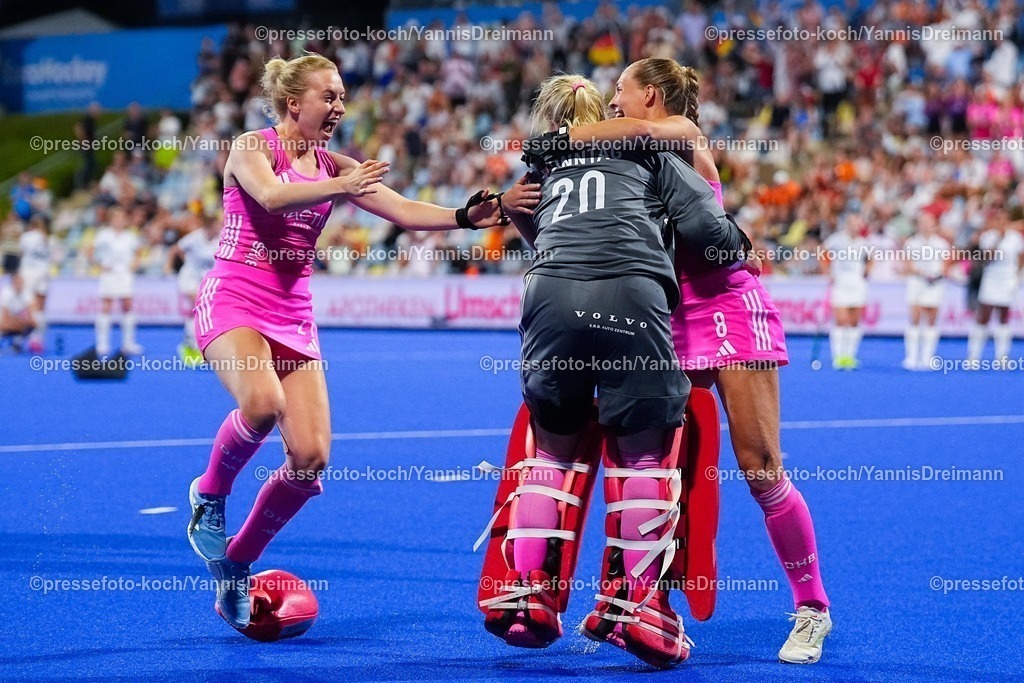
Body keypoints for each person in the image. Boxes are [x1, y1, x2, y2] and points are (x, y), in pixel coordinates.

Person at [185, 52, 505, 630]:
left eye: (340, 96)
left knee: (309, 460)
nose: (338, 107)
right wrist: (341, 182)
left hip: (292, 314)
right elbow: (273, 197)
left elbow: (404, 210)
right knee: (261, 406)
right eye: (327, 97)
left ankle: (235, 565)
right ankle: (208, 496)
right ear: (293, 104)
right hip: (234, 298)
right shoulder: (251, 148)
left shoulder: (337, 165)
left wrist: (468, 214)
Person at [560, 57, 831, 663]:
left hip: (728, 306)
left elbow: (630, 136)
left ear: (651, 96)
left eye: (620, 90)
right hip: (672, 315)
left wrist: (563, 133)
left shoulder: (682, 137)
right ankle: (634, 595)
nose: (611, 101)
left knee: (760, 467)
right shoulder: (627, 155)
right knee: (648, 461)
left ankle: (812, 608)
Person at [488, 74, 748, 667]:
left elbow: (534, 232)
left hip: (550, 299)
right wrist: (739, 244)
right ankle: (637, 604)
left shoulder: (548, 163)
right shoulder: (653, 150)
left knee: (551, 454)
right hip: (631, 298)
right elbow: (708, 233)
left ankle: (528, 595)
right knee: (643, 459)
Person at [968, 210, 1024, 364]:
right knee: (984, 315)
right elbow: (987, 258)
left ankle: (1002, 356)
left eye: (1003, 220)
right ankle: (974, 356)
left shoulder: (1015, 238)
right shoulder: (988, 237)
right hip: (991, 277)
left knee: (1004, 316)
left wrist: (1017, 276)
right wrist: (998, 240)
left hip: (1008, 279)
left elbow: (1021, 258)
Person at [87, 206, 144, 356]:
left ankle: (128, 343)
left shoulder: (130, 236)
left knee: (127, 305)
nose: (119, 221)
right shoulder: (104, 235)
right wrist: (99, 265)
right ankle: (103, 343)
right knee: (107, 306)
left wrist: (134, 264)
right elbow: (90, 251)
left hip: (125, 273)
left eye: (122, 218)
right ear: (111, 220)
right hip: (110, 274)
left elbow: (139, 251)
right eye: (116, 218)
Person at [902, 214, 952, 370]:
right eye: (922, 223)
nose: (925, 226)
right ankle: (911, 357)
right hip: (917, 282)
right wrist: (922, 274)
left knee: (931, 319)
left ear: (935, 225)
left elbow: (946, 263)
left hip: (935, 283)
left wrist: (938, 274)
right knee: (915, 318)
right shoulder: (911, 243)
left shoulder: (941, 244)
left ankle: (927, 357)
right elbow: (908, 264)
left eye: (929, 223)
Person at [166, 214, 218, 363]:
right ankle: (194, 345)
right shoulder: (195, 237)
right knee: (200, 308)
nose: (219, 229)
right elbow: (175, 249)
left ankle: (192, 343)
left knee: (199, 312)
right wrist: (172, 265)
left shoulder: (219, 239)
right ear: (209, 227)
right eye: (216, 227)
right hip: (189, 278)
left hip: (205, 280)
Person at [823, 214, 872, 370]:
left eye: (858, 224)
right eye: (852, 224)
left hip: (857, 283)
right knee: (841, 320)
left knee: (854, 321)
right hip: (841, 282)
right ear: (847, 225)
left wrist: (867, 271)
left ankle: (850, 355)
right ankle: (838, 356)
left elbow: (871, 259)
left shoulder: (864, 243)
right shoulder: (836, 239)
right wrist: (827, 272)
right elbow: (822, 253)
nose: (855, 227)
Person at [18, 215, 53, 354]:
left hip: (28, 272)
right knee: (40, 308)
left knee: (27, 306)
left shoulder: (26, 237)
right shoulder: (47, 239)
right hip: (42, 273)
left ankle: (22, 338)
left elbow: (21, 254)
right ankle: (37, 339)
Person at [0, 273, 35, 351]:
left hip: (19, 320)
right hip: (6, 320)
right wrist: (16, 322)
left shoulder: (27, 292)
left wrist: (24, 321)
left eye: (21, 283)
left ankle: (19, 340)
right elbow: (5, 315)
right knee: (5, 325)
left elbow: (30, 311)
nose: (19, 285)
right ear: (13, 283)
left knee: (35, 322)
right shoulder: (6, 292)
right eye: (17, 283)